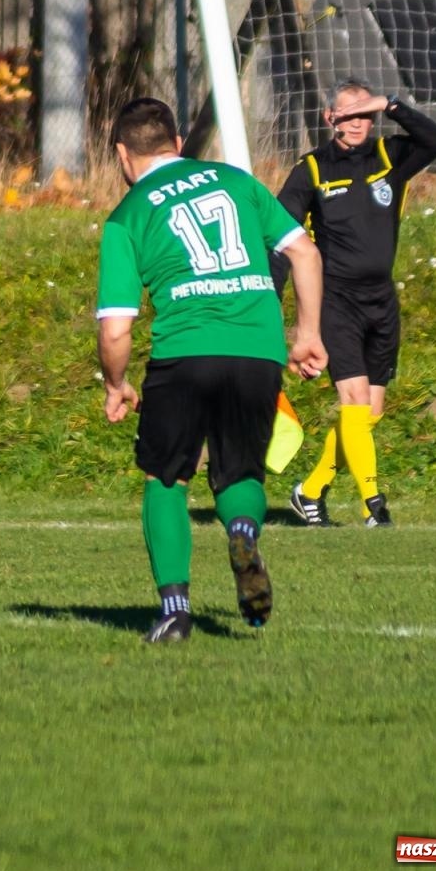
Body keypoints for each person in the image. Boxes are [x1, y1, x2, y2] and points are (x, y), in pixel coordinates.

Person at [96, 98, 326, 644]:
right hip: (258, 350)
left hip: (186, 352)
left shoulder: (127, 216)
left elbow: (115, 330)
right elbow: (306, 255)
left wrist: (116, 383)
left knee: (166, 477)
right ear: (178, 145)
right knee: (240, 470)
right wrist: (308, 334)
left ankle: (175, 612)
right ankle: (243, 531)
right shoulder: (236, 181)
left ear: (123, 155)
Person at [278, 79, 436, 529]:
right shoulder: (311, 170)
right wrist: (272, 306)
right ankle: (375, 505)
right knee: (352, 400)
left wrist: (392, 104)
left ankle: (310, 491)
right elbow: (280, 240)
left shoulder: (390, 156)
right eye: (348, 114)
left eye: (365, 115)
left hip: (382, 302)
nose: (358, 124)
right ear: (328, 117)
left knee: (369, 412)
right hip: (337, 303)